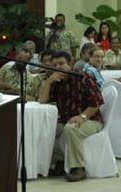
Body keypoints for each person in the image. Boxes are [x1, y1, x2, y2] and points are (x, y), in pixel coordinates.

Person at [38, 51, 103, 182]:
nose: (59, 67)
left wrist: (82, 116)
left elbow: (97, 102)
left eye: (62, 63)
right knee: (47, 128)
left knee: (71, 128)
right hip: (65, 119)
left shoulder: (84, 77)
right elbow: (42, 100)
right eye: (55, 65)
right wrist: (49, 81)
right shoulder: (57, 81)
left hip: (90, 119)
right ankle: (60, 162)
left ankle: (78, 168)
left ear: (71, 63)